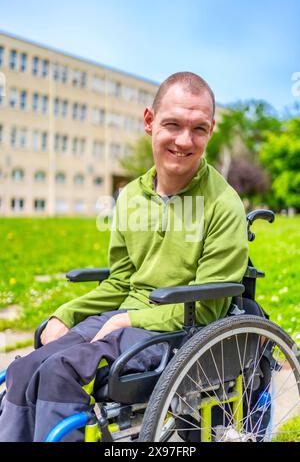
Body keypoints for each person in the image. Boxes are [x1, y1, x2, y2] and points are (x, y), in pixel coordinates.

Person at [0, 72, 248, 442]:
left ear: (210, 130)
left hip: (180, 330)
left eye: (198, 128)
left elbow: (210, 307)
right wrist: (65, 313)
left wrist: (129, 319)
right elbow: (120, 280)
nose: (184, 140)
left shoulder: (223, 204)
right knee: (24, 370)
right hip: (123, 318)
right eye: (172, 124)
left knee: (59, 372)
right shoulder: (131, 196)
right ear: (149, 121)